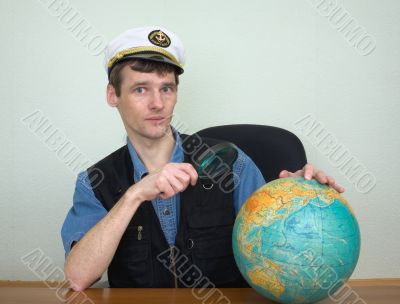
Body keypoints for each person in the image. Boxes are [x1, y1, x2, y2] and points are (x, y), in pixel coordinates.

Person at [61, 26, 344, 291]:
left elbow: (273, 242)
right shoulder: (94, 182)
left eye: (166, 88)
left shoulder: (231, 162)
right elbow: (78, 277)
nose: (158, 103)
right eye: (140, 89)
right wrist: (134, 195)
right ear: (113, 95)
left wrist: (296, 197)